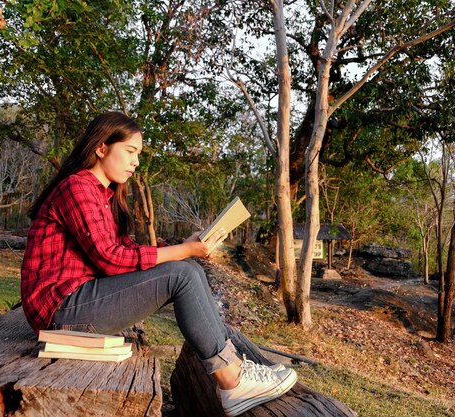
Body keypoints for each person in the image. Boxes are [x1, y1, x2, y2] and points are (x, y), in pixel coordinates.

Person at [20, 111, 297, 416]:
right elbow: (111, 259)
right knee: (181, 273)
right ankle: (231, 381)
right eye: (130, 152)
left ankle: (234, 366)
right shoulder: (78, 188)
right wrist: (181, 251)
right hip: (59, 310)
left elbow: (122, 249)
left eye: (137, 154)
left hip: (76, 301)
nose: (135, 162)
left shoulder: (99, 193)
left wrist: (184, 247)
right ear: (101, 147)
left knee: (186, 268)